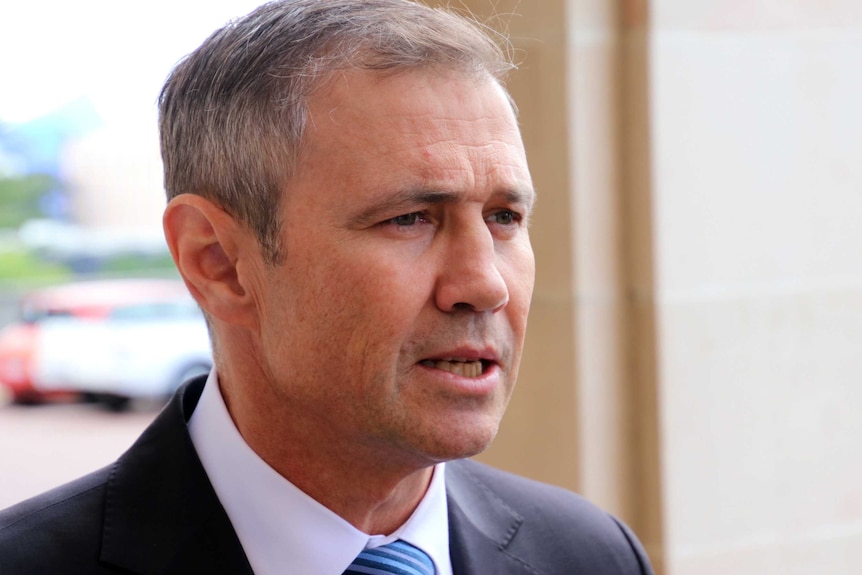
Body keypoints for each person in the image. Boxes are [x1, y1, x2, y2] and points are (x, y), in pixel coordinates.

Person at [0, 1, 654, 574]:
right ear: (219, 263)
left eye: (504, 217)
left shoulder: (593, 553)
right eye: (410, 218)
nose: (484, 284)